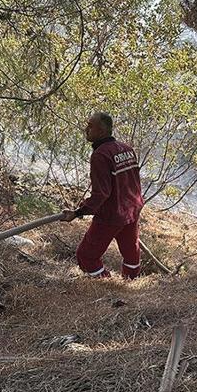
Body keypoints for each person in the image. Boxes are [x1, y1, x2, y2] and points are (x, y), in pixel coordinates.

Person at [61, 112, 144, 279]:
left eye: (90, 126)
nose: (86, 129)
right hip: (131, 210)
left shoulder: (100, 155)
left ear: (101, 131)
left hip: (111, 215)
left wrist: (78, 213)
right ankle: (131, 282)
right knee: (131, 253)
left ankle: (105, 284)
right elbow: (134, 183)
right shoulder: (127, 149)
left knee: (86, 256)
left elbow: (101, 194)